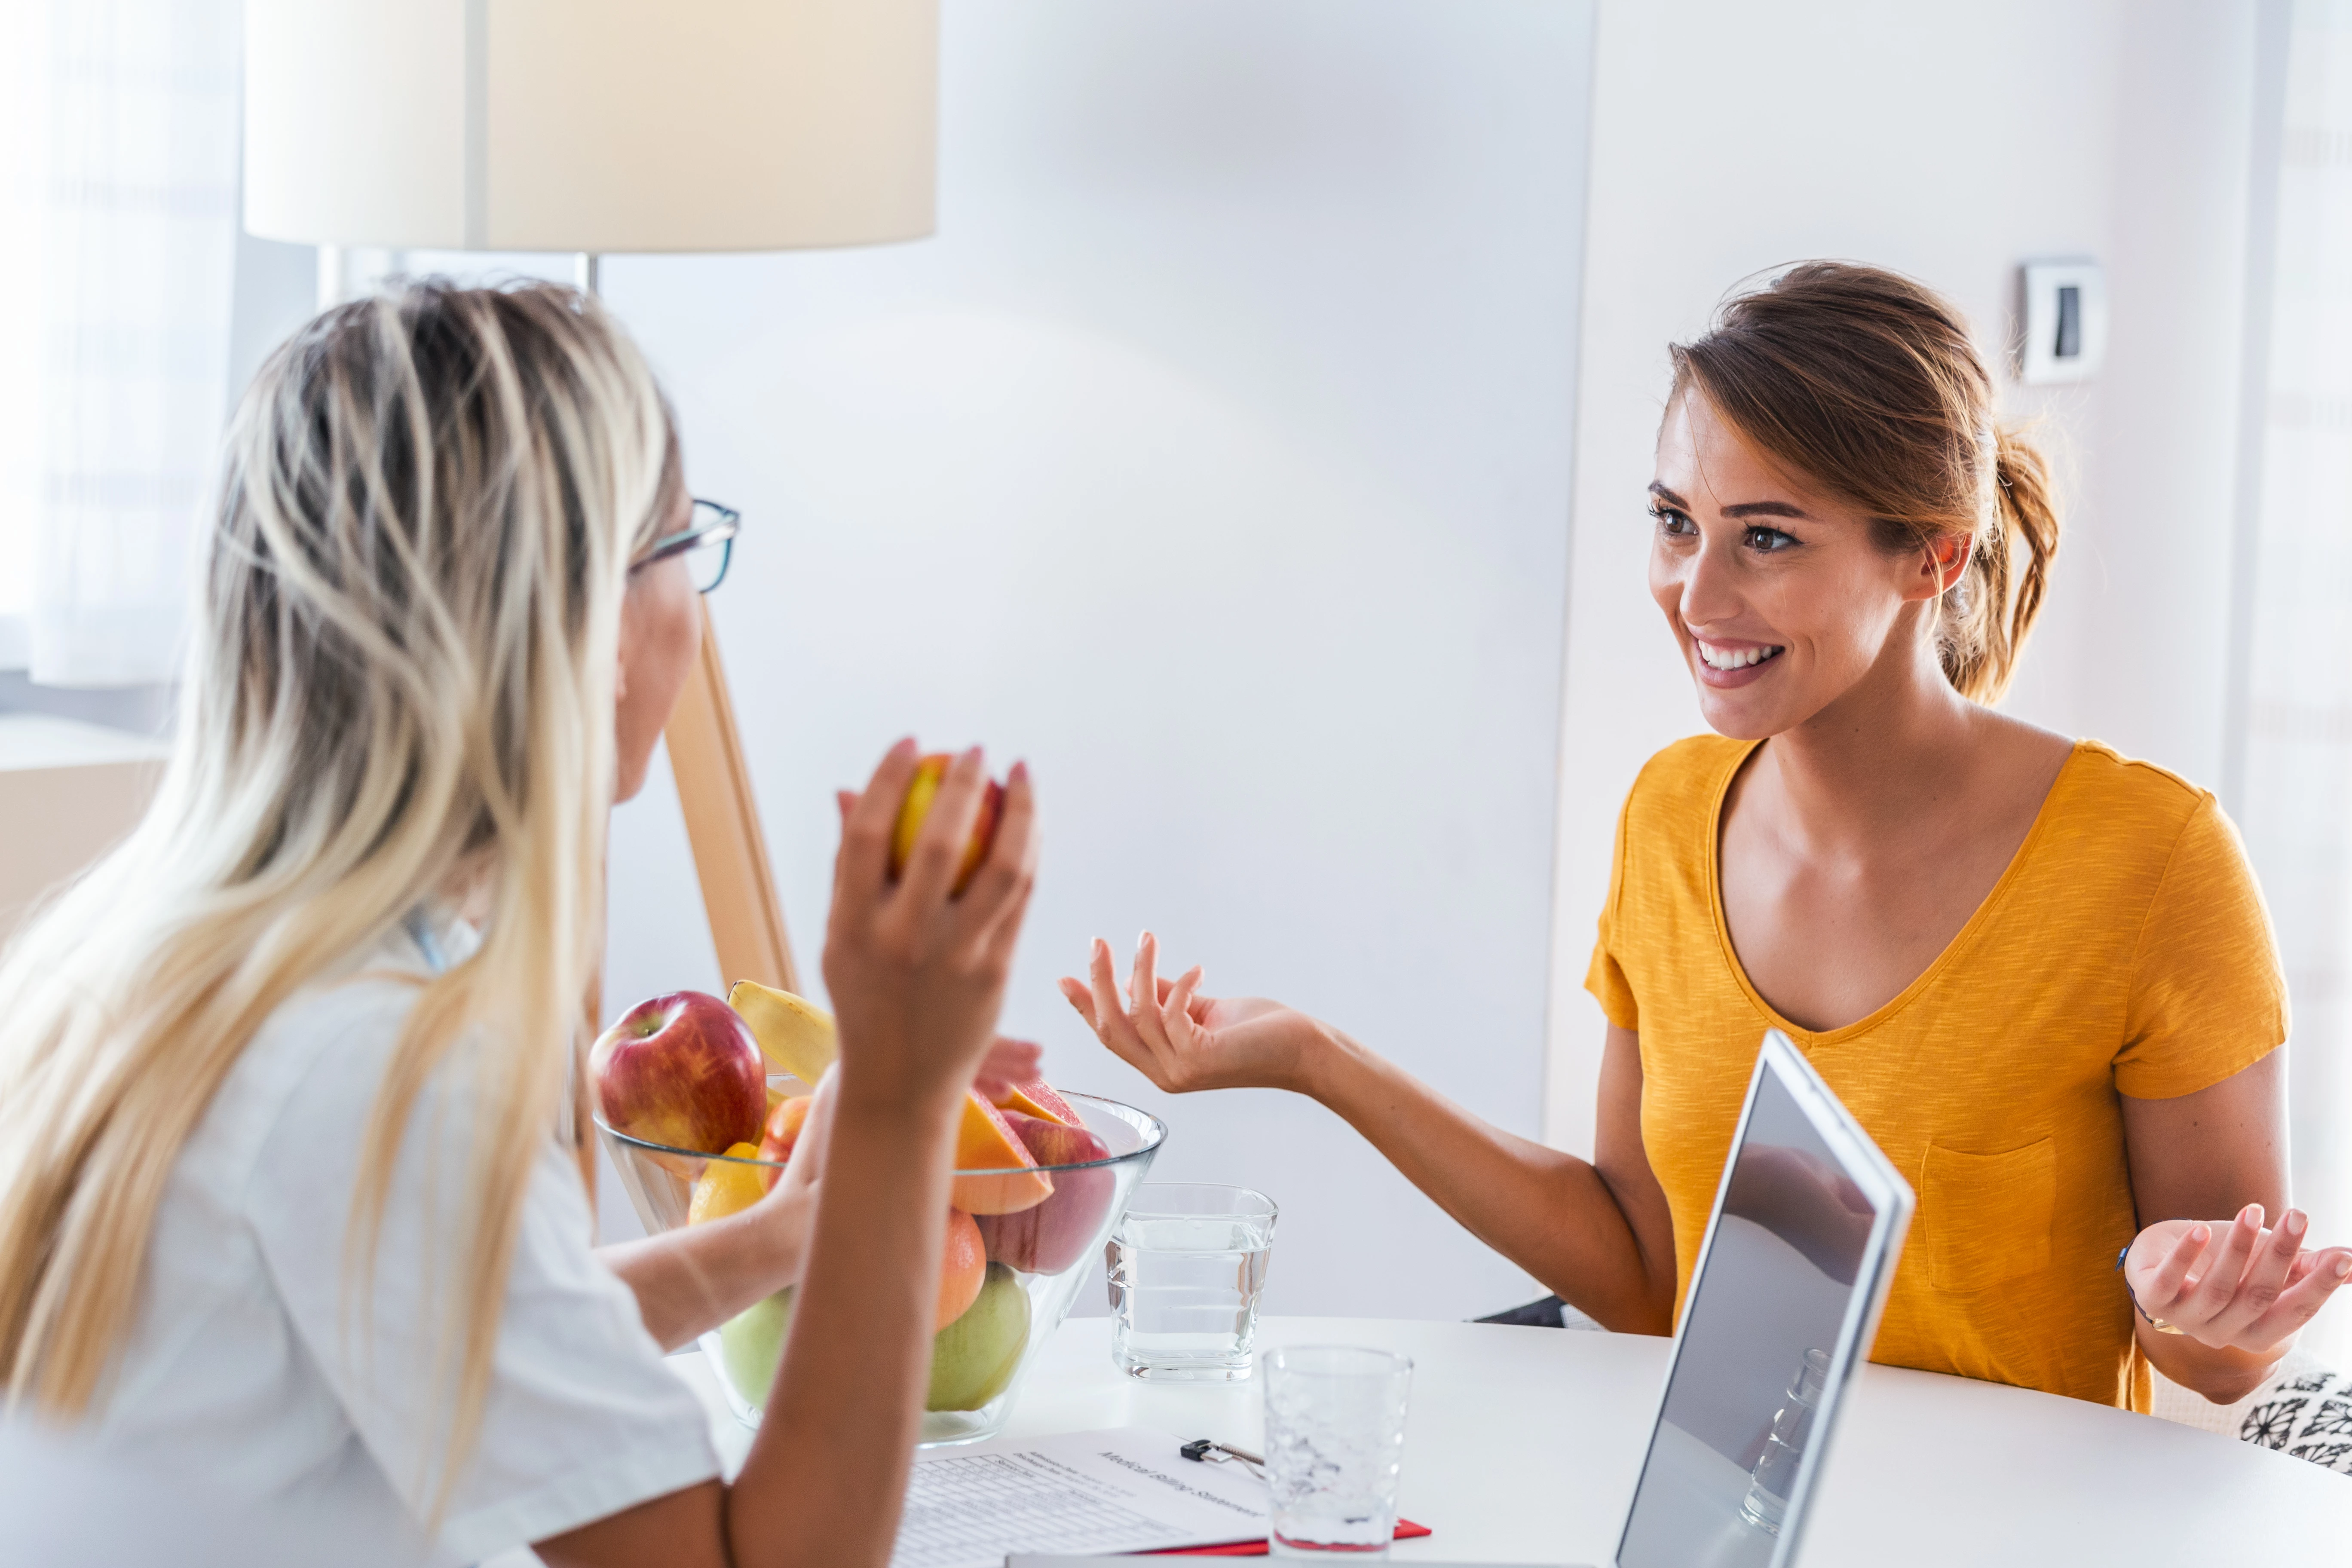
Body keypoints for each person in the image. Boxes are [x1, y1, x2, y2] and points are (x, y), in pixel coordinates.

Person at [1063, 261, 2352, 1413]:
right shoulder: (1674, 814)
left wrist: (2202, 1317)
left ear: (1934, 562)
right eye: (1676, 522)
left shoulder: (2155, 863)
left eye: (1768, 540)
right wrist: (1313, 1057)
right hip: (1733, 1514)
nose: (1697, 593)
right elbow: (1644, 1274)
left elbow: (2222, 1354)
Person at [0, 281, 1039, 1566]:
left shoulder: (160, 964)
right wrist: (899, 1093)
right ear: (580, 620)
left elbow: (473, 1321)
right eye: (682, 547)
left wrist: (777, 1242)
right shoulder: (387, 1073)